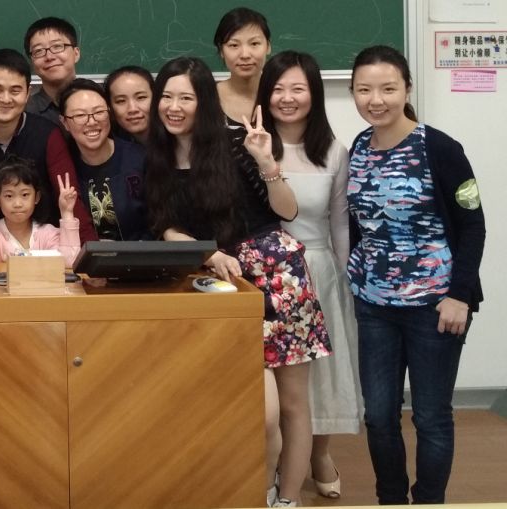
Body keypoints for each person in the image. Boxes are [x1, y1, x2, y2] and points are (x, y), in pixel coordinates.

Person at [142, 56, 330, 508]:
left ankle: (286, 499)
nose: (173, 107)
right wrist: (206, 252)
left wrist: (266, 161)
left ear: (204, 102)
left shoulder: (234, 144)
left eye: (186, 97)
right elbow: (165, 225)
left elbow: (286, 210)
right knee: (260, 412)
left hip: (277, 276)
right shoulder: (157, 155)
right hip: (221, 282)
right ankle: (260, 489)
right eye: (166, 96)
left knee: (292, 405)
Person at [347, 45, 485, 505]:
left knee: (431, 417)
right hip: (375, 307)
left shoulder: (440, 148)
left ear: (407, 89)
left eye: (388, 88)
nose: (376, 100)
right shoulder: (359, 148)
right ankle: (390, 500)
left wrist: (460, 295)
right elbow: (359, 224)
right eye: (364, 90)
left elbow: (473, 224)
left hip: (435, 306)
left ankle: (428, 502)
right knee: (378, 415)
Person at [258, 50, 362, 502]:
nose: (287, 98)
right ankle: (279, 463)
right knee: (280, 386)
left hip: (318, 269)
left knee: (322, 375)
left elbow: (340, 223)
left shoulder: (334, 150)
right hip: (267, 274)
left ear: (314, 94)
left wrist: (345, 279)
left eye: (297, 88)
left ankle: (320, 454)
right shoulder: (252, 144)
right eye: (278, 88)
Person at [0, 49, 97, 245]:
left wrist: (91, 252)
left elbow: (69, 196)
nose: (6, 99)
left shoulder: (48, 135)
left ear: (27, 94)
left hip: (45, 249)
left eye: (15, 90)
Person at [58, 78, 150, 240]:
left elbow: (161, 221)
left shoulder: (140, 159)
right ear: (65, 122)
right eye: (80, 115)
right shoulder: (64, 167)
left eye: (99, 112)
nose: (91, 122)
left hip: (144, 253)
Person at [0, 156, 81, 268]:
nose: (17, 204)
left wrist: (67, 213)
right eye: (9, 196)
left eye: (25, 195)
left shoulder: (48, 234)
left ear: (36, 197)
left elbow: (70, 261)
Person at [214, 7, 271, 123]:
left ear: (268, 47)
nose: (245, 55)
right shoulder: (207, 98)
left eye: (254, 43)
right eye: (234, 45)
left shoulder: (282, 98)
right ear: (221, 51)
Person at [24, 16, 80, 124]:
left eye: (57, 46)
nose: (49, 57)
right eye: (38, 51)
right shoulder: (24, 113)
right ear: (32, 62)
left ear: (76, 53)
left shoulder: (101, 101)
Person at [103, 65, 155, 146]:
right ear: (110, 107)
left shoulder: (174, 137)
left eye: (141, 97)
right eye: (121, 101)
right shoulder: (109, 144)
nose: (132, 109)